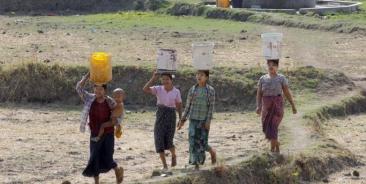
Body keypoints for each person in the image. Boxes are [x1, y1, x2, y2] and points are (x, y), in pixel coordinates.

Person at [76, 72, 124, 184]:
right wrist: (88, 76)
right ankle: (96, 182)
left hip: (108, 133)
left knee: (108, 156)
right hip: (95, 134)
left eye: (100, 90)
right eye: (96, 90)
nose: (98, 92)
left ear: (105, 91)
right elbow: (79, 88)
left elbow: (119, 114)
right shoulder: (89, 98)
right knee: (94, 158)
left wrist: (117, 124)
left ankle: (117, 170)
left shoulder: (110, 101)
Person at [143, 71, 183, 171]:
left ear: (171, 80)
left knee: (169, 141)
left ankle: (174, 155)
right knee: (159, 139)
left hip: (171, 116)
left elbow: (178, 105)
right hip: (160, 115)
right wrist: (153, 78)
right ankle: (165, 165)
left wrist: (180, 118)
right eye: (163, 79)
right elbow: (145, 89)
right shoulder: (158, 89)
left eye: (167, 79)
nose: (165, 81)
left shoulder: (176, 91)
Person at [177, 70, 217, 170]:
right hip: (193, 119)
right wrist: (182, 120)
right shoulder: (193, 90)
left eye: (202, 75)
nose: (199, 76)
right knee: (192, 141)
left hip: (203, 121)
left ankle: (212, 152)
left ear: (206, 77)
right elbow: (187, 106)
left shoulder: (210, 90)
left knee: (202, 143)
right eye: (198, 74)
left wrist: (208, 121)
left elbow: (211, 107)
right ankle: (195, 164)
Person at [256, 59, 297, 154]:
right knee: (266, 128)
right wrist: (258, 106)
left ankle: (272, 150)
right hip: (266, 107)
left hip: (277, 107)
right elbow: (259, 94)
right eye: (269, 64)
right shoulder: (262, 79)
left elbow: (286, 92)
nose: (271, 66)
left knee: (273, 127)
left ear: (277, 67)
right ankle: (277, 144)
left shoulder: (281, 78)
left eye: (273, 65)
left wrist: (293, 105)